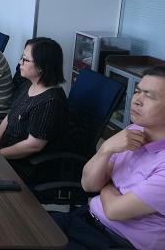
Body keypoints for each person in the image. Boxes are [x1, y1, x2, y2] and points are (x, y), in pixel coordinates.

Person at [51, 65, 165, 250]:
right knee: (22, 228)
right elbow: (89, 185)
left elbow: (114, 211)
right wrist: (106, 148)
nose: (137, 100)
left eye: (149, 95)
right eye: (137, 91)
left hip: (118, 241)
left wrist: (107, 186)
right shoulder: (134, 131)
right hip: (87, 219)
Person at [0, 37, 68, 183]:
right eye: (22, 57)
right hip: (5, 152)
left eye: (25, 60)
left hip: (24, 166)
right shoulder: (28, 84)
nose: (20, 62)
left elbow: (33, 145)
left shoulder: (50, 102)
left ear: (42, 66)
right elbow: (10, 115)